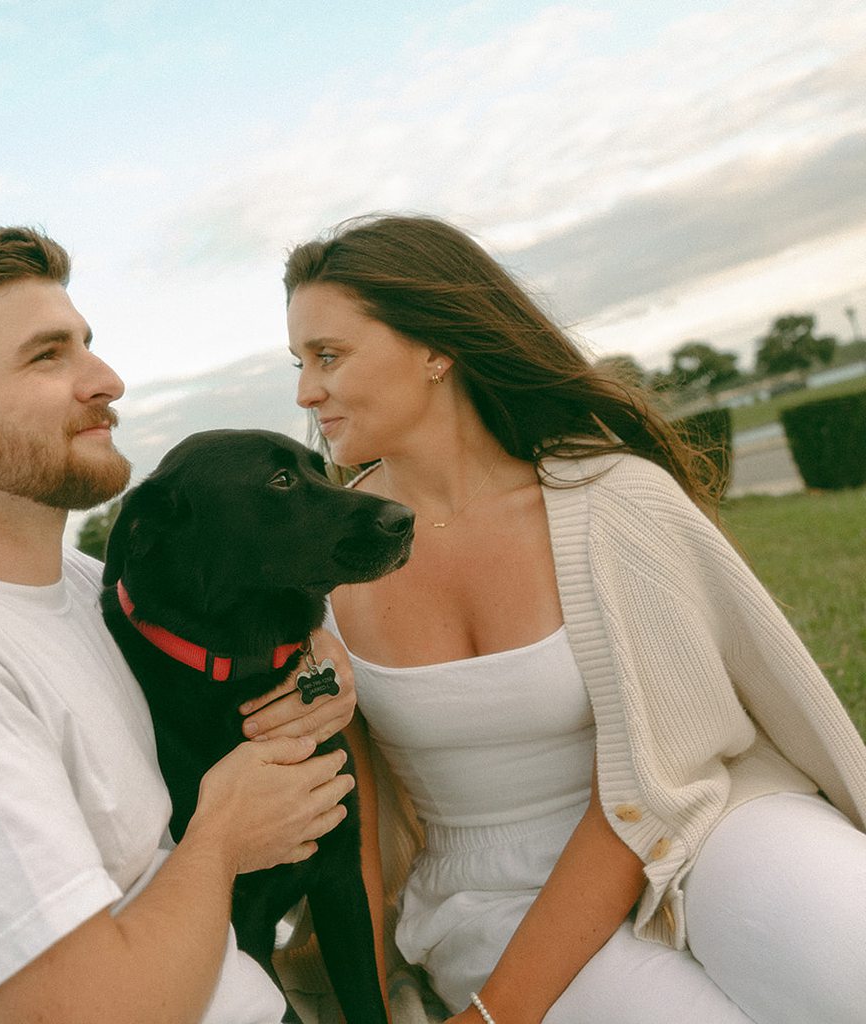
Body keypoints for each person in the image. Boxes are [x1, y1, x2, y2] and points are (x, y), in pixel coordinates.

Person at [282, 214, 866, 1024]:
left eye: (329, 356)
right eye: (300, 362)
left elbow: (651, 784)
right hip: (489, 898)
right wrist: (375, 996)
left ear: (434, 348)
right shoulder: (317, 566)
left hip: (701, 822)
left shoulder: (616, 503)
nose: (306, 391)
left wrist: (496, 1019)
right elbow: (359, 812)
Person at [0, 225, 359, 1024]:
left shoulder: (98, 592)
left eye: (87, 344)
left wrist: (315, 663)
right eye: (46, 356)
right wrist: (223, 839)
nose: (107, 380)